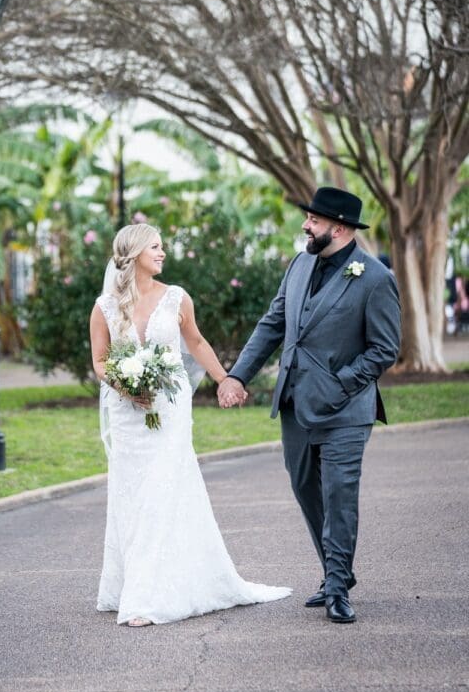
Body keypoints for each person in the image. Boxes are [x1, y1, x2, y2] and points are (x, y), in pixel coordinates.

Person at [89, 223, 291, 627]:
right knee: (135, 496)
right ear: (135, 255)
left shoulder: (177, 298)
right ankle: (135, 585)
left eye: (163, 247)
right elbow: (100, 361)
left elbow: (196, 343)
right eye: (156, 247)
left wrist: (226, 380)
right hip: (129, 416)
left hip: (170, 411)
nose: (163, 253)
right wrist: (126, 388)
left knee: (164, 490)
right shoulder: (105, 306)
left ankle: (148, 598)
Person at [218, 187, 401, 624]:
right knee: (305, 487)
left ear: (338, 228)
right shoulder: (300, 265)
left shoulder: (374, 278)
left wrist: (342, 384)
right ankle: (337, 568)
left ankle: (337, 585)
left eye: (314, 221)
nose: (306, 225)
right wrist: (236, 374)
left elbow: (384, 350)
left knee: (340, 494)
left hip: (346, 410)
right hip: (294, 403)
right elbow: (273, 323)